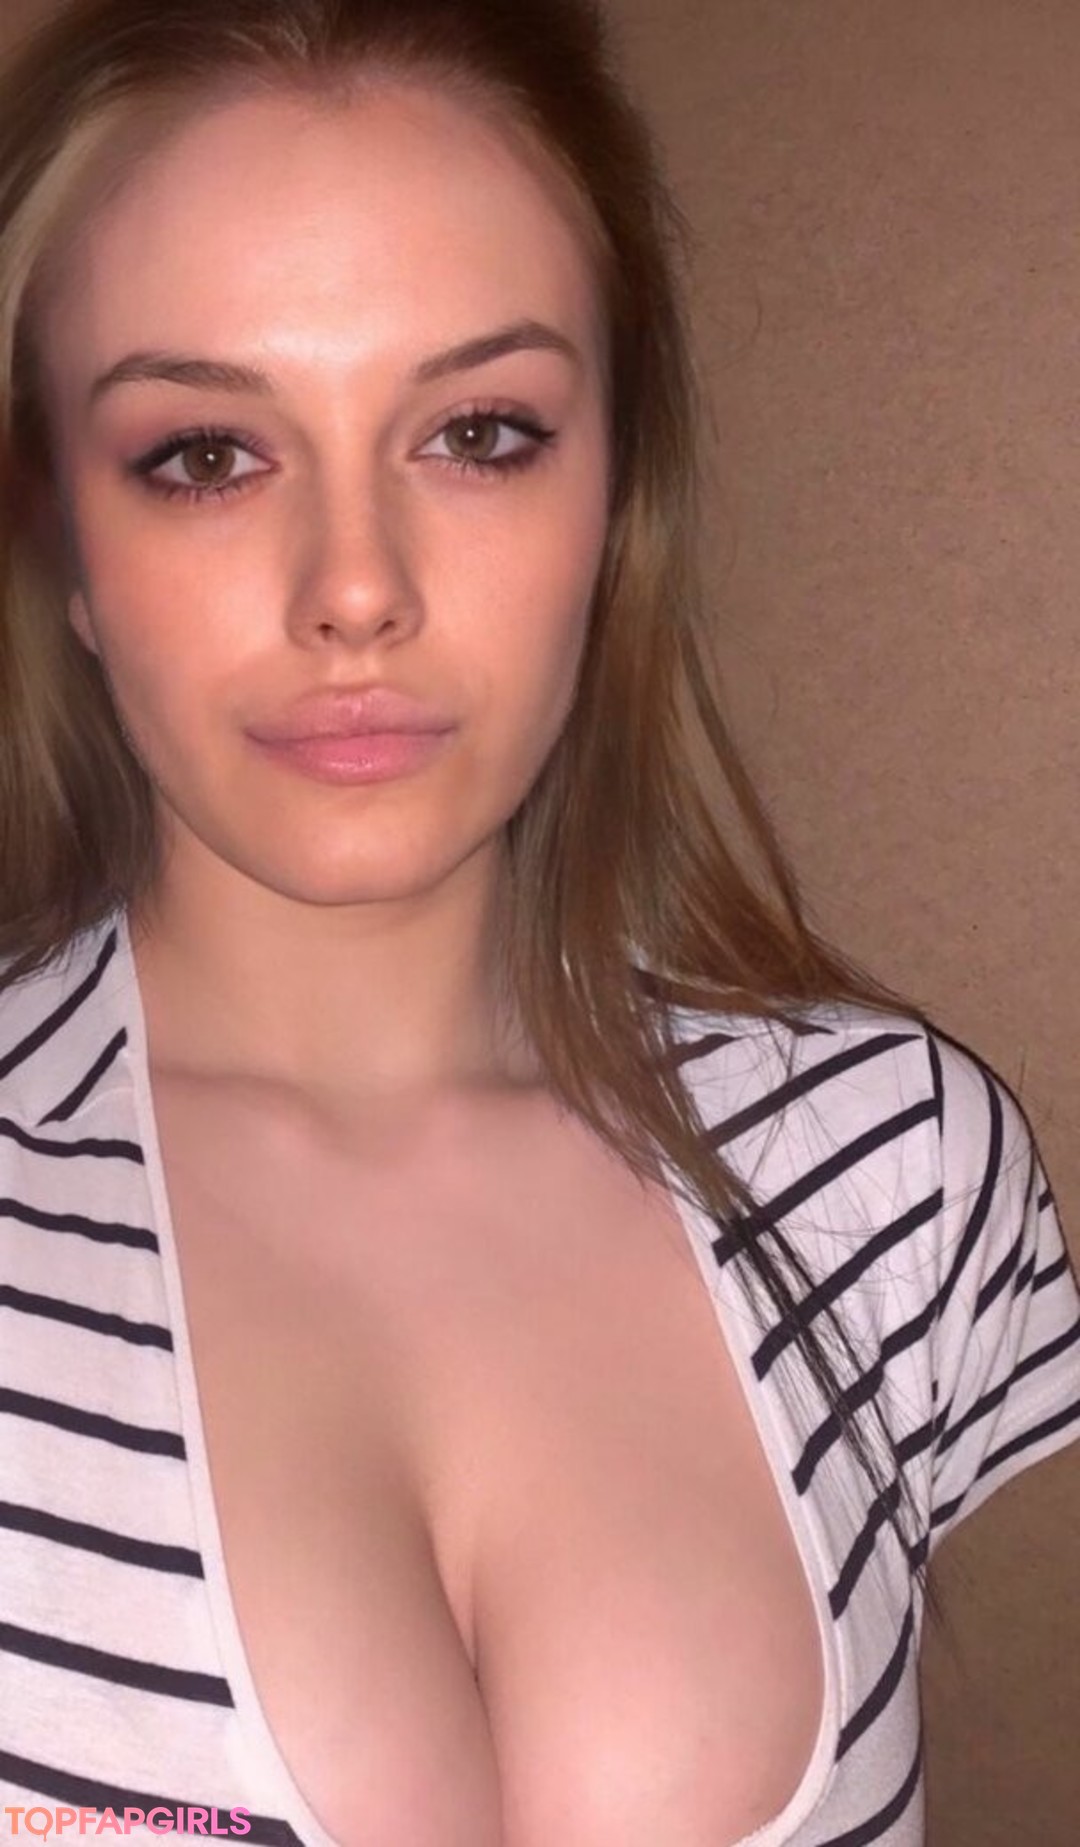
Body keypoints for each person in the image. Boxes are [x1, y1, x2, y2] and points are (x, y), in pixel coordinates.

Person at [0, 0, 1077, 1842]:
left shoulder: (897, 1178)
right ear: (64, 550)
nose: (355, 588)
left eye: (479, 432)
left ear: (614, 498)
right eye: (204, 455)